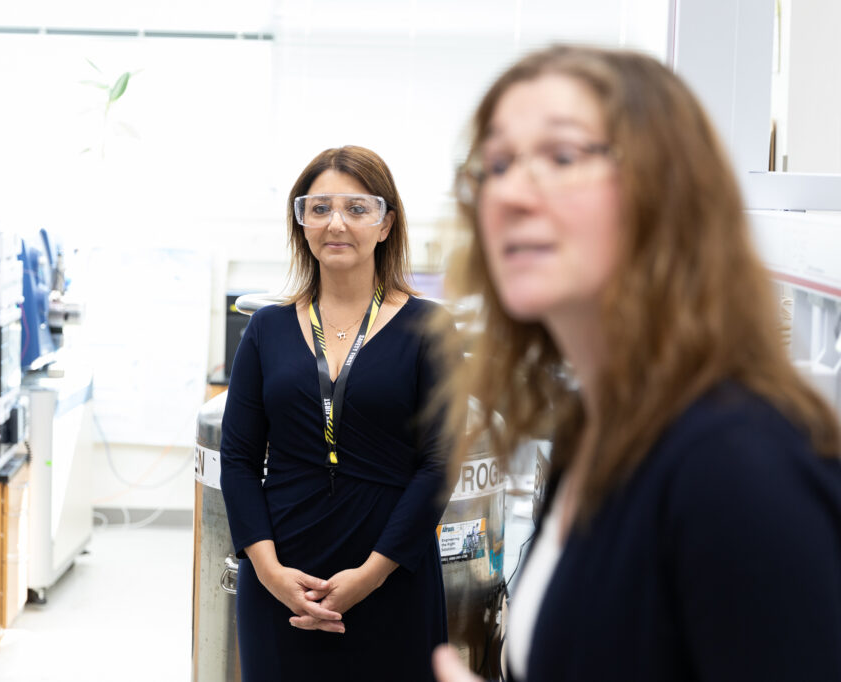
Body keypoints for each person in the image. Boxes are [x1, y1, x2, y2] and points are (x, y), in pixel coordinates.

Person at [432, 45, 841, 682]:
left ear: (666, 193)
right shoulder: (588, 434)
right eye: (497, 164)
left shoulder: (739, 464)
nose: (511, 192)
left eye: (563, 156)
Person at [220, 145, 451, 681]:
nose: (336, 223)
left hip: (391, 571)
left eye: (356, 207)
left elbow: (439, 464)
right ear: (301, 223)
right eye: (319, 207)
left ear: (386, 223)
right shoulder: (267, 330)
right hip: (283, 578)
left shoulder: (427, 329)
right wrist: (270, 572)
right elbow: (238, 457)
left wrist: (368, 577)